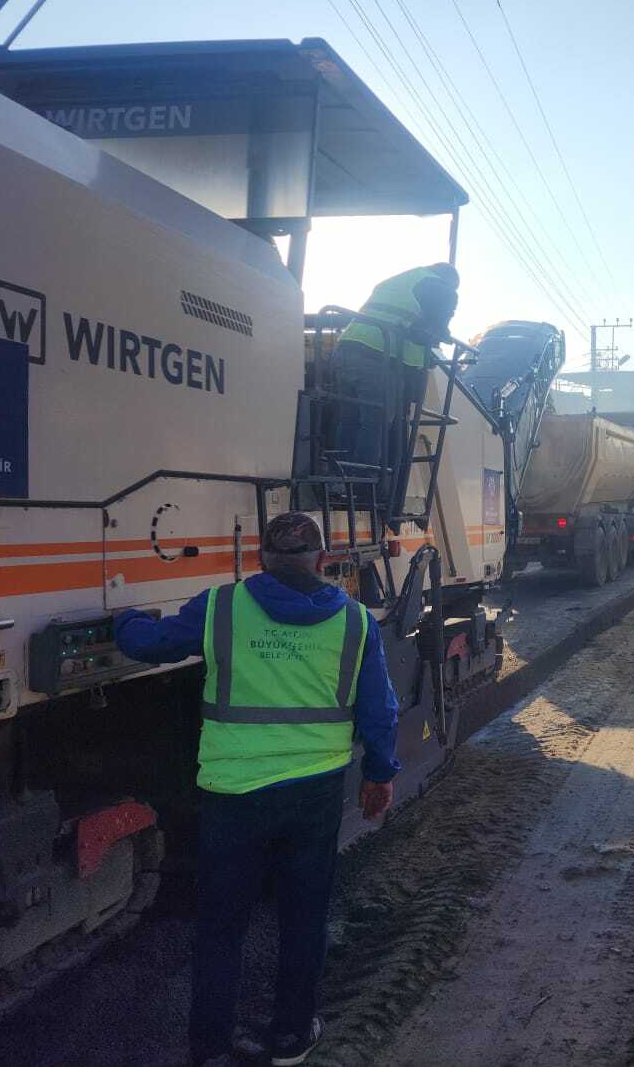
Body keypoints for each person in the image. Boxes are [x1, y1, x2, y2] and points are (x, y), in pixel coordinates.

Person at [113, 512, 399, 1067]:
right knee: (304, 915)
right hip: (314, 794)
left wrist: (122, 619)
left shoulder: (222, 606)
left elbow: (150, 645)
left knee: (221, 926)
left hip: (234, 793)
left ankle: (210, 1050)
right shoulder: (357, 622)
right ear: (321, 560)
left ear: (262, 559)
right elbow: (380, 710)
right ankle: (292, 1037)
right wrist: (380, 775)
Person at [332, 263, 460, 472]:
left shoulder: (401, 281)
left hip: (345, 350)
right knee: (376, 422)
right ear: (450, 282)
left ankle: (339, 478)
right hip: (376, 356)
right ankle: (363, 486)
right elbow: (436, 330)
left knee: (349, 418)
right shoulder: (440, 288)